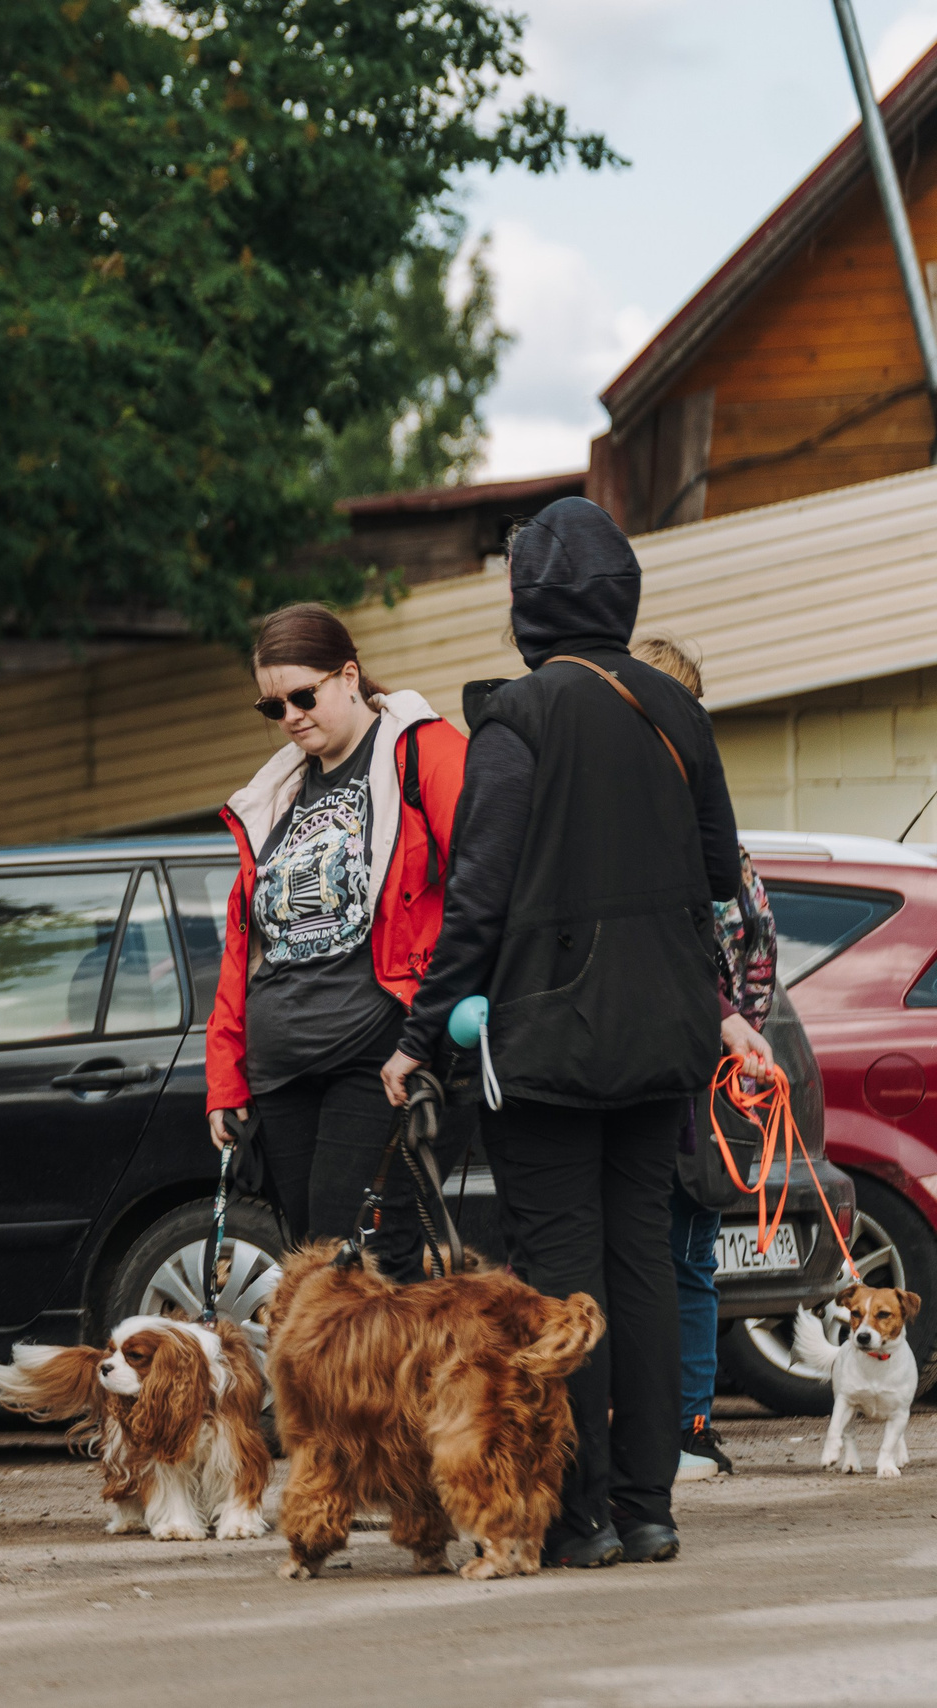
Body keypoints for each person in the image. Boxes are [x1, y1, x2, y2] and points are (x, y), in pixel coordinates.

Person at [384, 498, 772, 1570]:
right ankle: (649, 1508)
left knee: (559, 1279)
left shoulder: (521, 716)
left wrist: (420, 1036)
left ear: (528, 605)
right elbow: (714, 874)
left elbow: (479, 893)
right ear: (621, 593)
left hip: (548, 1041)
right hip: (662, 1033)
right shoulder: (673, 710)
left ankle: (578, 1514)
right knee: (641, 1263)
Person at [207, 604, 469, 1277]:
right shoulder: (274, 795)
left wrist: (429, 1029)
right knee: (310, 1268)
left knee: (353, 1259)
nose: (291, 716)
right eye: (273, 707)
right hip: (280, 1067)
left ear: (348, 675)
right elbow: (245, 948)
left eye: (304, 695)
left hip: (373, 1054)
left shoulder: (419, 751)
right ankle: (340, 1389)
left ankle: (389, 1389)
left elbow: (486, 879)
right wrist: (224, 1080)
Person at [629, 633, 777, 1484]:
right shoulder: (728, 840)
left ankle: (675, 1429)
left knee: (660, 1259)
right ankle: (687, 1426)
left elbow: (709, 955)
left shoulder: (670, 830)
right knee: (688, 1262)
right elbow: (760, 956)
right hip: (717, 1083)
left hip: (672, 1074)